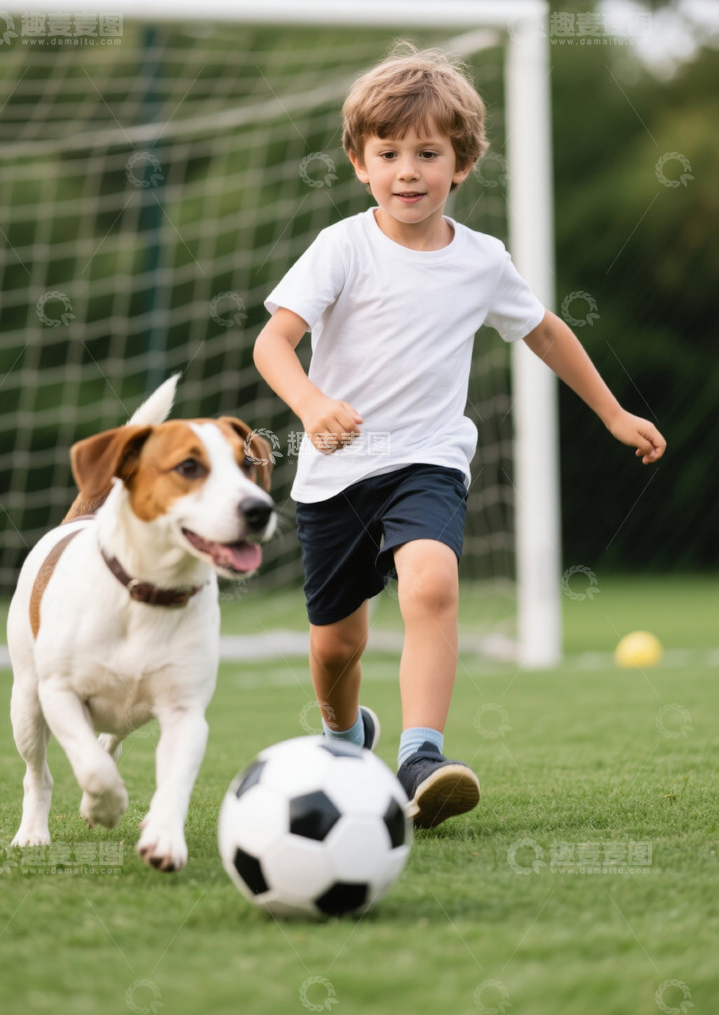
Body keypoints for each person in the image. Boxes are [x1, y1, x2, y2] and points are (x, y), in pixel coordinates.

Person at [252, 45, 666, 829]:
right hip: (337, 475)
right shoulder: (341, 248)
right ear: (359, 163)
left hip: (429, 461)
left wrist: (614, 413)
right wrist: (310, 403)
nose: (408, 171)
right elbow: (273, 342)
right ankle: (345, 740)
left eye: (428, 154)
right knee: (336, 646)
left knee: (432, 586)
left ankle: (422, 757)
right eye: (388, 154)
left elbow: (545, 332)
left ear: (462, 164)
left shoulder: (483, 261)